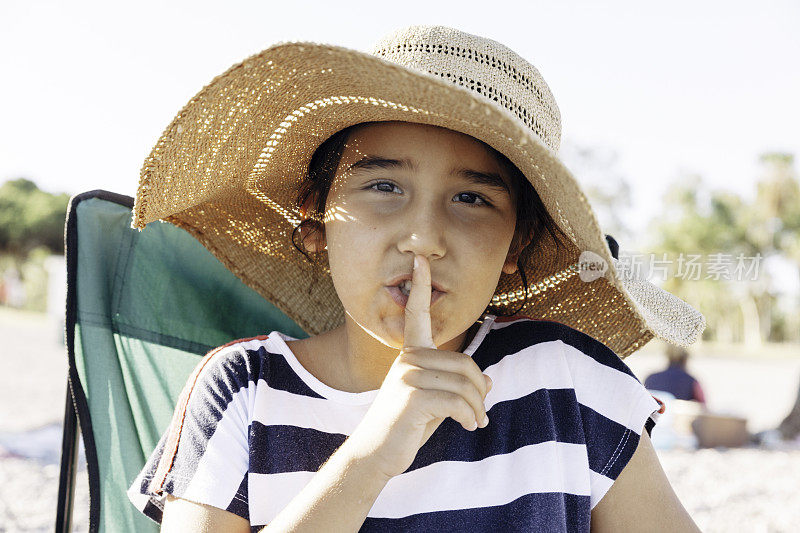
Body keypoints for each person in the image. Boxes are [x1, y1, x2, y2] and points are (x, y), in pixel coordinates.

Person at [126, 26, 704, 531]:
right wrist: (372, 455)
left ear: (516, 243)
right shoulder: (243, 390)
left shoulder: (568, 383)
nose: (424, 238)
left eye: (472, 198)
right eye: (384, 187)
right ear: (315, 218)